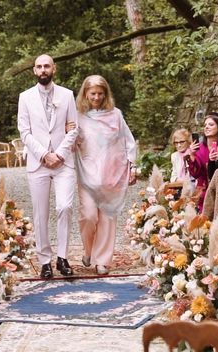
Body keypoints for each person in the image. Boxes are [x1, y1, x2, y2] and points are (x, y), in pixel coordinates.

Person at [17, 54, 78, 278]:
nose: (43, 70)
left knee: (64, 207)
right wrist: (44, 155)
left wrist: (59, 154)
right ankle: (44, 260)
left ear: (54, 69)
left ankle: (62, 257)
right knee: (40, 213)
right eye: (39, 66)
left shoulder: (67, 95)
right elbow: (24, 131)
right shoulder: (25, 97)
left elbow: (73, 128)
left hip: (63, 162)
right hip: (38, 161)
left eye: (47, 66)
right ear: (34, 70)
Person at [74, 75, 136, 275]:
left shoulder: (115, 114)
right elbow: (71, 140)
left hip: (111, 174)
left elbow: (128, 141)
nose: (97, 97)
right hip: (87, 174)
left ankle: (103, 260)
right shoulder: (78, 116)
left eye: (101, 94)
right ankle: (88, 249)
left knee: (108, 218)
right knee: (89, 216)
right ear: (85, 93)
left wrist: (132, 166)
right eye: (93, 93)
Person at [186, 114, 218, 209]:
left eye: (211, 125)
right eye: (205, 125)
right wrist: (192, 155)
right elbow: (195, 174)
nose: (207, 127)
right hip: (204, 191)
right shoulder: (199, 148)